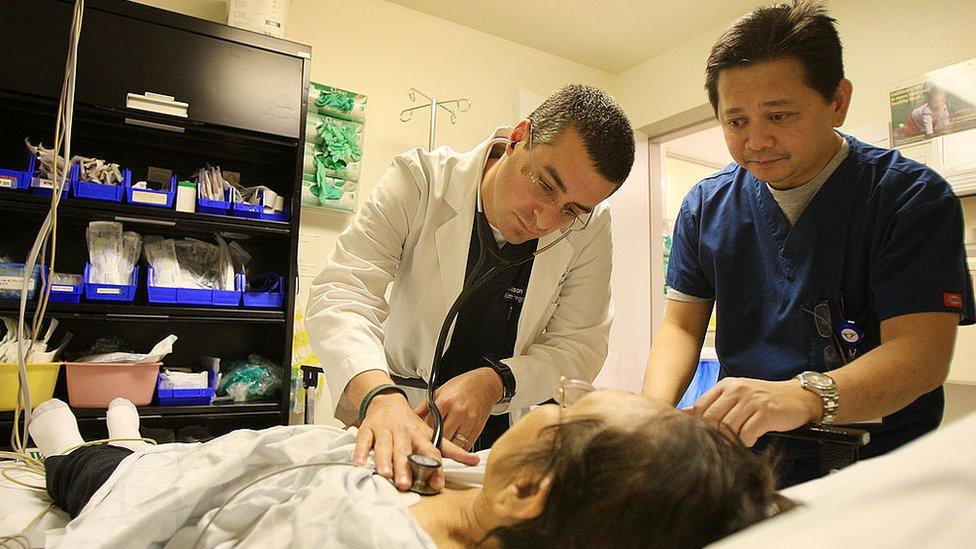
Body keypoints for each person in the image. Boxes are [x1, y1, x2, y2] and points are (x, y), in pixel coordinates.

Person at [642, 1, 975, 487]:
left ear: (838, 100)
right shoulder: (705, 208)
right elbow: (682, 328)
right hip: (748, 461)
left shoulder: (910, 199)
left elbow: (921, 355)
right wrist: (650, 418)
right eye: (736, 122)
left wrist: (806, 395)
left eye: (778, 116)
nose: (757, 141)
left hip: (877, 462)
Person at [305, 85, 636, 491]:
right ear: (518, 138)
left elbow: (579, 346)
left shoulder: (590, 228)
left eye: (571, 211)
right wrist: (378, 396)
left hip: (503, 432)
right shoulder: (421, 181)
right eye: (546, 186)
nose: (545, 220)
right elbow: (343, 291)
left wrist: (497, 381)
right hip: (396, 409)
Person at [28, 387, 784, 548]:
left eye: (558, 411)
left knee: (94, 470)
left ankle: (83, 445)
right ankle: (132, 432)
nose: (552, 402)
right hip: (236, 464)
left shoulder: (356, 537)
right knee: (166, 450)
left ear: (528, 490)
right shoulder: (490, 491)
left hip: (195, 493)